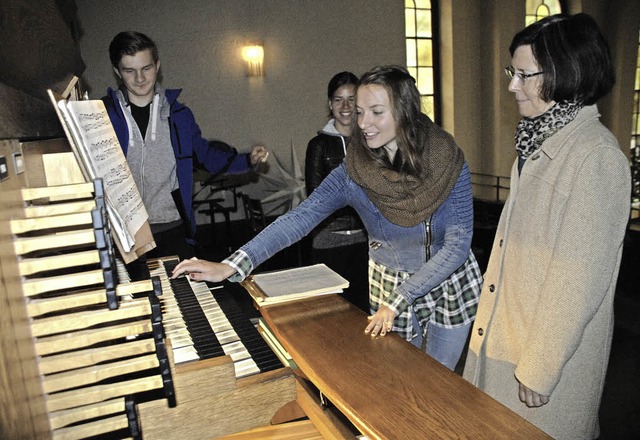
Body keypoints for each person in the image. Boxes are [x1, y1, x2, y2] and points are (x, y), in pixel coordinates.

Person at [172, 65, 483, 371]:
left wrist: (402, 298)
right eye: (360, 112)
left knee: (441, 376)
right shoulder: (354, 171)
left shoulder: (446, 159)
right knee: (401, 375)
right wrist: (231, 265)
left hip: (450, 280)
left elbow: (456, 246)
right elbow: (301, 218)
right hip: (393, 279)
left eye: (376, 112)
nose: (363, 123)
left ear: (405, 112)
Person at [462, 14, 631, 439]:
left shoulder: (596, 158)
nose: (511, 86)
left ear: (564, 75)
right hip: (504, 344)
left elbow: (578, 279)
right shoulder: (540, 142)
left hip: (537, 365)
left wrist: (539, 368)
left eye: (523, 75)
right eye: (511, 72)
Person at [102, 31, 268, 260]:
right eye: (130, 71)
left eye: (146, 68)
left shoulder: (180, 115)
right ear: (117, 72)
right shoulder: (104, 116)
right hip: (124, 236)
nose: (140, 78)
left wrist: (247, 160)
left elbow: (206, 156)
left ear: (157, 66)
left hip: (173, 229)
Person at [304, 71, 369, 312]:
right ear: (330, 104)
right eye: (339, 99)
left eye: (351, 99)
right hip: (329, 241)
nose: (345, 106)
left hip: (365, 241)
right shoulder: (318, 145)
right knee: (332, 311)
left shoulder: (370, 141)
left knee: (363, 309)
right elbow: (316, 197)